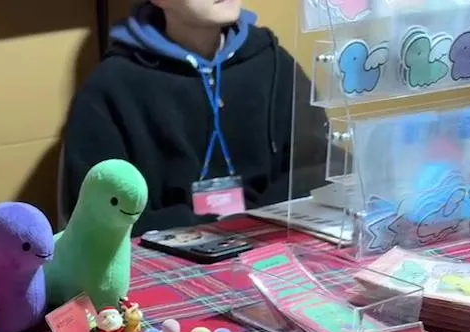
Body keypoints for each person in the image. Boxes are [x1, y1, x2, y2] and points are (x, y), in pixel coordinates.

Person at [62, 0, 336, 234]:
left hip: (268, 240)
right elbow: (99, 217)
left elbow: (321, 167)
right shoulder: (111, 87)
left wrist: (253, 220)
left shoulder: (274, 62)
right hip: (169, 258)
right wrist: (204, 226)